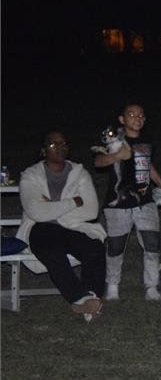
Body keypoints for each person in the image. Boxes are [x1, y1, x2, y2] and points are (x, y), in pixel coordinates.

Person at [16, 131, 107, 319]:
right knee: (51, 249)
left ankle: (91, 297)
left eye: (63, 143)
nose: (59, 147)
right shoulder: (30, 176)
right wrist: (73, 202)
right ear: (43, 151)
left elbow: (91, 211)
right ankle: (79, 298)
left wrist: (50, 207)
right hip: (40, 228)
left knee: (94, 248)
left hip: (73, 226)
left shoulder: (79, 173)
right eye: (53, 144)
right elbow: (36, 212)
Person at [94, 103, 161, 302]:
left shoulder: (147, 140)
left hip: (145, 199)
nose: (137, 118)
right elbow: (98, 162)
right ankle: (112, 288)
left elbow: (148, 164)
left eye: (140, 115)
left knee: (152, 243)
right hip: (118, 202)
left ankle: (151, 287)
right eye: (131, 115)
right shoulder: (114, 139)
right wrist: (118, 155)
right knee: (116, 246)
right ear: (122, 119)